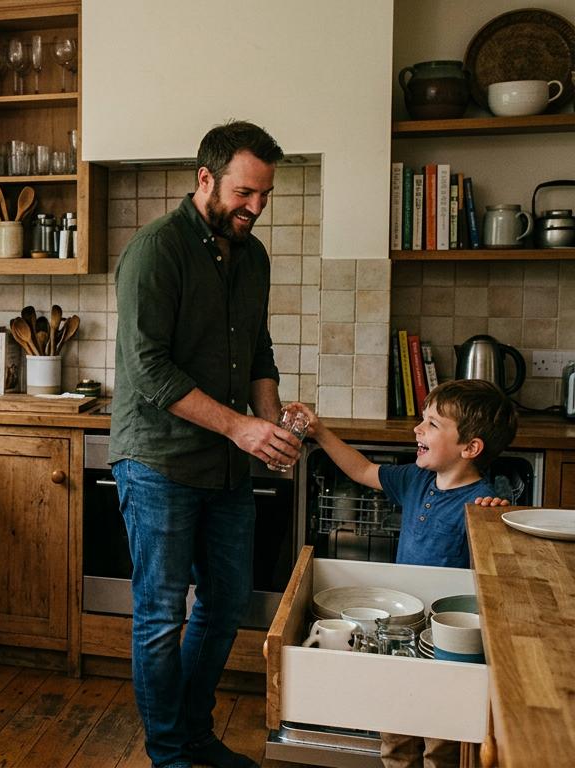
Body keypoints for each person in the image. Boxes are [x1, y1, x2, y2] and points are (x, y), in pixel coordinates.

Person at [110, 120, 295, 768]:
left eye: (265, 195)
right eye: (246, 192)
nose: (255, 207)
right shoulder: (156, 251)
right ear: (206, 179)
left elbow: (257, 349)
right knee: (161, 616)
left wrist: (270, 423)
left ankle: (192, 735)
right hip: (158, 460)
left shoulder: (254, 256)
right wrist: (242, 427)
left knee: (225, 607)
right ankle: (169, 755)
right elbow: (149, 371)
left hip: (226, 467)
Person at [289, 380, 516, 768]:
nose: (417, 429)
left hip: (448, 643)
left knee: (441, 743)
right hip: (399, 633)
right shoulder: (415, 479)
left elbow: (498, 569)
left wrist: (494, 520)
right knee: (394, 732)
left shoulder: (481, 503)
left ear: (470, 448)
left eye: (431, 424)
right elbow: (361, 469)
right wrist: (320, 432)